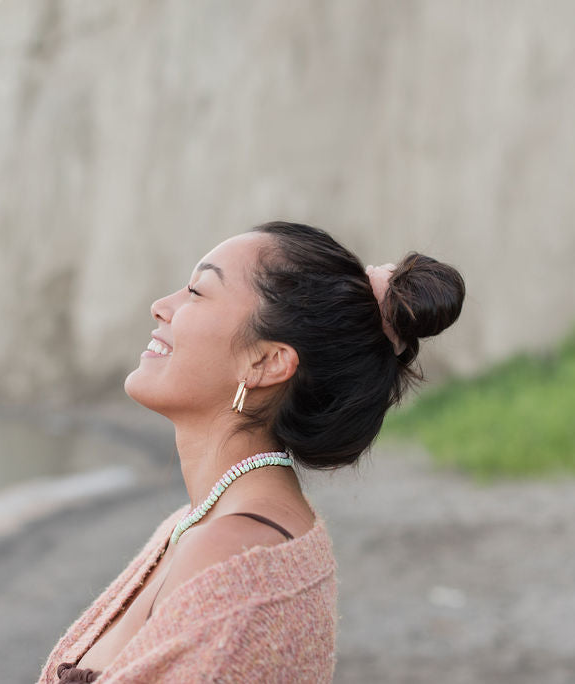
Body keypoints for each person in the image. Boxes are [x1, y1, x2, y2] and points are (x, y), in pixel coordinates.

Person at [36, 221, 465, 683]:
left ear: (266, 362)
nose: (161, 307)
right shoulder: (207, 525)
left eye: (197, 292)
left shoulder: (231, 561)